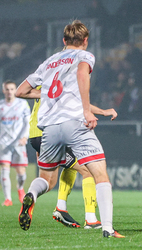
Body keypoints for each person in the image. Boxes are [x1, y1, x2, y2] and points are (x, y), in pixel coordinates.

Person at [15, 20, 124, 238]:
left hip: (49, 128)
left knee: (46, 179)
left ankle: (31, 195)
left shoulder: (48, 62)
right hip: (74, 124)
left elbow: (20, 91)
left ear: (64, 41)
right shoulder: (85, 55)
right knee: (99, 173)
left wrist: (46, 93)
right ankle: (107, 228)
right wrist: (87, 111)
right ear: (85, 41)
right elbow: (82, 74)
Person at [28, 88, 117, 229]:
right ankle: (90, 218)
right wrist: (103, 112)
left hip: (36, 132)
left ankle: (52, 203)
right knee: (87, 170)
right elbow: (79, 103)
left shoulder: (44, 78)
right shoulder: (63, 78)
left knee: (58, 175)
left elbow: (24, 91)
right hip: (53, 132)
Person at [0, 80, 30, 206]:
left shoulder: (23, 104)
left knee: (21, 173)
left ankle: (20, 188)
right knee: (4, 169)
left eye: (12, 89)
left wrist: (25, 137)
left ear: (15, 90)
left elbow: (28, 122)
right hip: (4, 143)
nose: (9, 92)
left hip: (19, 142)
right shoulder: (0, 106)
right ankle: (8, 199)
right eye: (7, 89)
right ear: (3, 91)